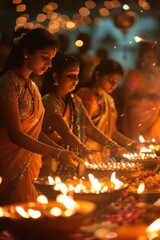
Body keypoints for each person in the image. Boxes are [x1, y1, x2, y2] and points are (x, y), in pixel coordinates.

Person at [0, 28, 83, 205]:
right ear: (26, 53)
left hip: (30, 164)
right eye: (45, 57)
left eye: (51, 59)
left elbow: (35, 132)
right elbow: (15, 134)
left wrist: (62, 152)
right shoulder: (8, 83)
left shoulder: (32, 86)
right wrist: (56, 153)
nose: (49, 64)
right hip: (8, 164)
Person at [41, 52, 128, 175]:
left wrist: (113, 145)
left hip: (72, 162)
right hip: (51, 163)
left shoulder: (75, 100)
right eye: (70, 75)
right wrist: (85, 150)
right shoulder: (49, 101)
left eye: (77, 76)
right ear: (56, 77)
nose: (76, 80)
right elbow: (65, 133)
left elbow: (90, 128)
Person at [77, 59, 138, 156]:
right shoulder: (85, 96)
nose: (114, 85)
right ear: (97, 75)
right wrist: (112, 145)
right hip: (85, 152)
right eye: (111, 80)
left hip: (102, 154)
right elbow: (86, 128)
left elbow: (112, 131)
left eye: (117, 82)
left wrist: (131, 143)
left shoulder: (109, 100)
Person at [122, 42, 160, 142]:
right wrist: (145, 100)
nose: (151, 60)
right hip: (137, 116)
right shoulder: (134, 75)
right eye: (148, 57)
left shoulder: (158, 74)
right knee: (138, 142)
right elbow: (125, 98)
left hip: (155, 115)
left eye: (153, 57)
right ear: (140, 58)